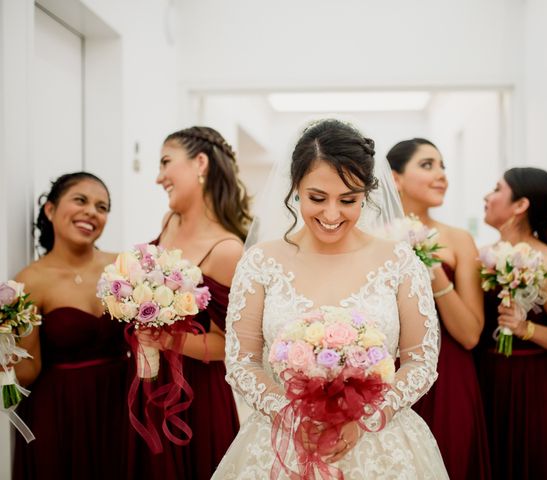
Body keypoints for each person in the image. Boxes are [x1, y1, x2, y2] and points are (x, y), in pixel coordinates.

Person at [213, 119, 448, 479]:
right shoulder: (261, 262)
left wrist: (364, 418)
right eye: (317, 198)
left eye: (348, 200)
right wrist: (291, 416)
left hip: (379, 446)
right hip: (285, 441)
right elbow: (242, 362)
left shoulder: (399, 262)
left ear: (367, 195)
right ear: (295, 189)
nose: (332, 214)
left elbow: (420, 362)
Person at [127, 127, 248, 480]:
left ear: (200, 163)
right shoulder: (170, 221)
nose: (158, 177)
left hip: (197, 398)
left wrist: (166, 340)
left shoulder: (227, 250)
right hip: (148, 383)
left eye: (166, 162)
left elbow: (228, 346)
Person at [12, 172, 129, 480]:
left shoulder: (123, 267)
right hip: (58, 411)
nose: (92, 211)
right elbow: (28, 370)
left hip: (119, 405)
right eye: (80, 200)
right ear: (50, 210)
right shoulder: (29, 281)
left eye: (101, 207)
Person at [387, 138, 490, 480]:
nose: (441, 174)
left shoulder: (459, 239)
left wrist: (430, 270)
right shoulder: (369, 238)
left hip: (449, 372)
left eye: (443, 166)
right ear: (395, 178)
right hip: (385, 371)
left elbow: (471, 333)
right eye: (427, 165)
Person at [478, 167, 547, 479]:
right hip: (490, 380)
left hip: (534, 388)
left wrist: (526, 329)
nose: (487, 196)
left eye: (497, 189)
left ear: (520, 205)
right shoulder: (484, 256)